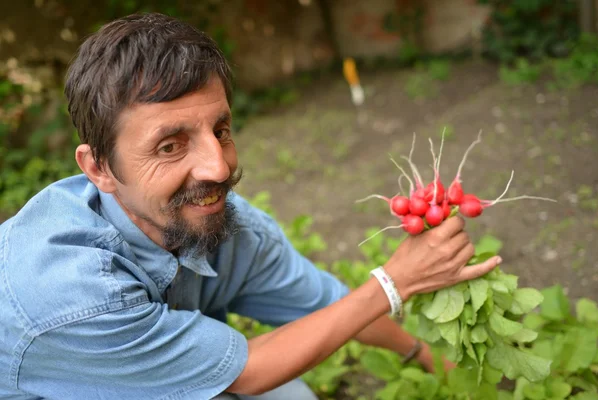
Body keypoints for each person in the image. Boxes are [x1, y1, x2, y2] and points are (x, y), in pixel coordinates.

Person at [0, 12, 502, 400]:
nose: (218, 168)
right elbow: (251, 370)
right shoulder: (69, 294)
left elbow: (329, 304)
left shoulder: (220, 224)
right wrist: (396, 281)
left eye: (220, 130)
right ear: (99, 169)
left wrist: (425, 356)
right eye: (171, 145)